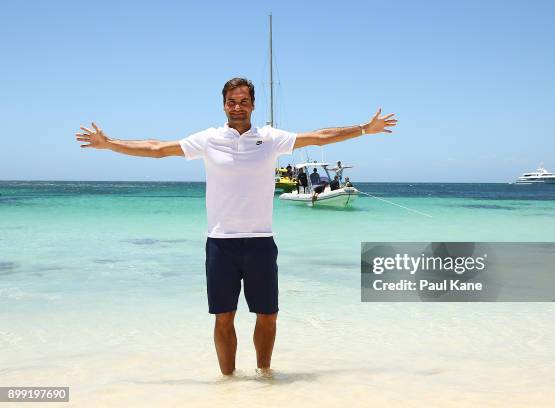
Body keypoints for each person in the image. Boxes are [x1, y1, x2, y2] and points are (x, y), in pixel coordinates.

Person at [75, 77, 397, 376]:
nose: (238, 106)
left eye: (243, 100)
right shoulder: (209, 139)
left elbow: (320, 135)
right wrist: (110, 143)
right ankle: (228, 385)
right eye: (232, 101)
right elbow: (159, 148)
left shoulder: (270, 139)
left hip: (260, 242)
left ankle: (264, 376)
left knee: (268, 316)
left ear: (253, 105)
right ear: (224, 105)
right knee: (224, 317)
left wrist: (364, 128)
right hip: (220, 243)